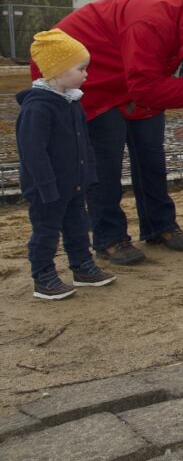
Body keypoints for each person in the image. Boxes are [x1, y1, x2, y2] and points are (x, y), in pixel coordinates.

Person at [34, 0, 183, 265]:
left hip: (134, 78)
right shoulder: (152, 22)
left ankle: (159, 226)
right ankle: (109, 238)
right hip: (91, 79)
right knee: (106, 160)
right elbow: (145, 88)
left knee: (150, 153)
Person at [19, 30, 115, 299]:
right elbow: (33, 152)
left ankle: (82, 267)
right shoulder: (37, 108)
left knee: (77, 227)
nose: (86, 74)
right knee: (46, 232)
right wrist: (47, 187)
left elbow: (84, 143)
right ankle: (43, 277)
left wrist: (89, 174)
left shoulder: (72, 102)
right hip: (46, 189)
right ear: (58, 71)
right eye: (81, 68)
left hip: (74, 184)